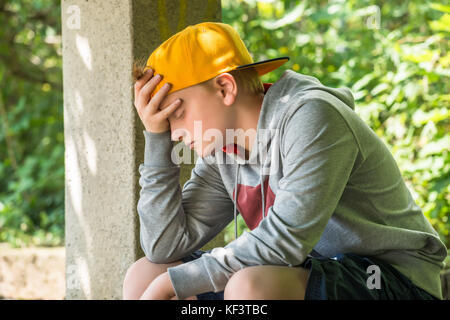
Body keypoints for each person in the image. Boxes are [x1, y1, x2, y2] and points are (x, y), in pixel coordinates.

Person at [122, 22, 447, 300]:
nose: (173, 133)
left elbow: (284, 241)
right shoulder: (224, 151)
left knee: (250, 288)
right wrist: (155, 139)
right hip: (304, 273)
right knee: (146, 274)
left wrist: (171, 284)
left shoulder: (313, 116)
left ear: (224, 87)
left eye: (176, 114)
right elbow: (163, 246)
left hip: (392, 280)